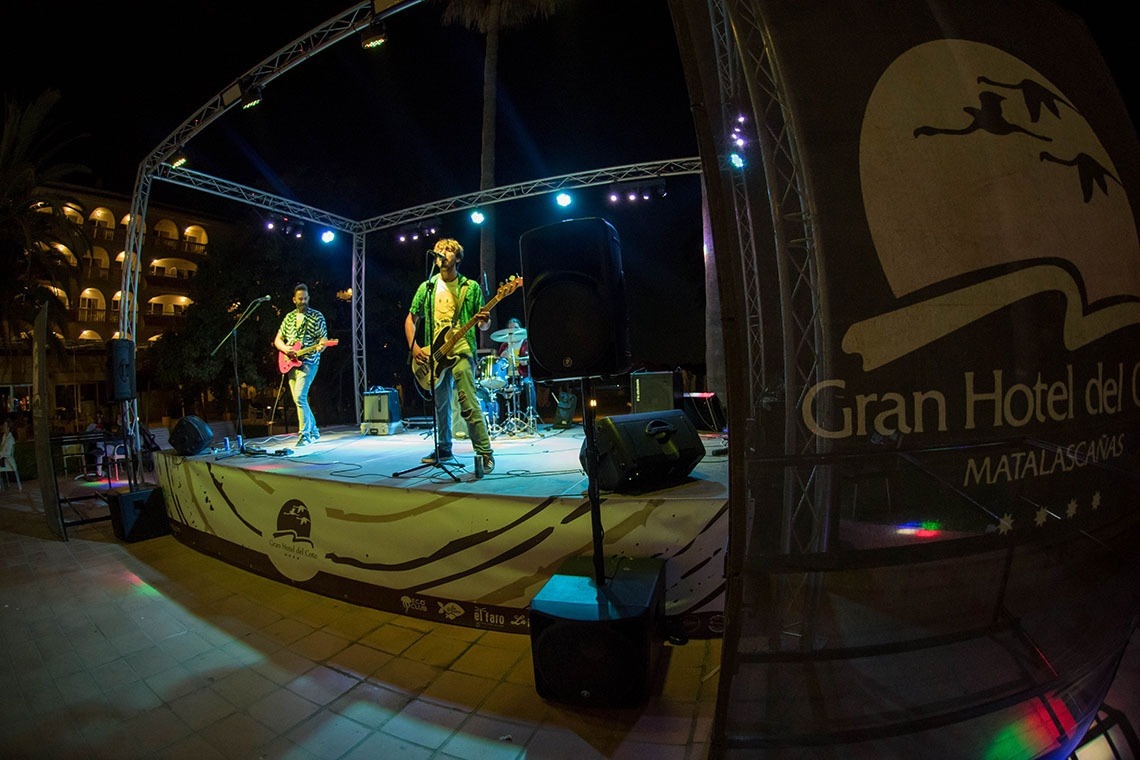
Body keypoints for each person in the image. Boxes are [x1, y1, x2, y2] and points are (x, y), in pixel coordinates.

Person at [405, 238, 495, 474]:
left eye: (448, 250)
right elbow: (411, 319)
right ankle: (444, 448)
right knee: (441, 405)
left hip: (462, 349)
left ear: (458, 257)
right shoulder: (428, 287)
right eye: (439, 250)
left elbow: (484, 325)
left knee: (467, 401)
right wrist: (415, 348)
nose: (442, 253)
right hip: (434, 354)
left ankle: (485, 452)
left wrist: (485, 322)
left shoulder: (470, 287)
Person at [274, 283, 328, 447]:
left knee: (299, 396)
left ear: (308, 298)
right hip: (290, 362)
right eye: (300, 299)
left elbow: (324, 339)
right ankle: (314, 430)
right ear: (294, 300)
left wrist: (321, 346)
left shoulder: (317, 316)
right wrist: (285, 349)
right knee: (299, 399)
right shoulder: (289, 317)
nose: (303, 301)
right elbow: (278, 339)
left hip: (309, 362)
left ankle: (304, 434)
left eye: (305, 298)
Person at [496, 317, 538, 418]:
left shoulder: (526, 343)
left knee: (528, 384)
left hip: (523, 375)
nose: (513, 330)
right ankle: (501, 417)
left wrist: (526, 362)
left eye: (516, 327)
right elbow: (499, 364)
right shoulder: (504, 345)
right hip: (508, 376)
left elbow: (533, 359)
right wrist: (501, 357)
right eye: (510, 328)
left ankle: (532, 415)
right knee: (496, 387)